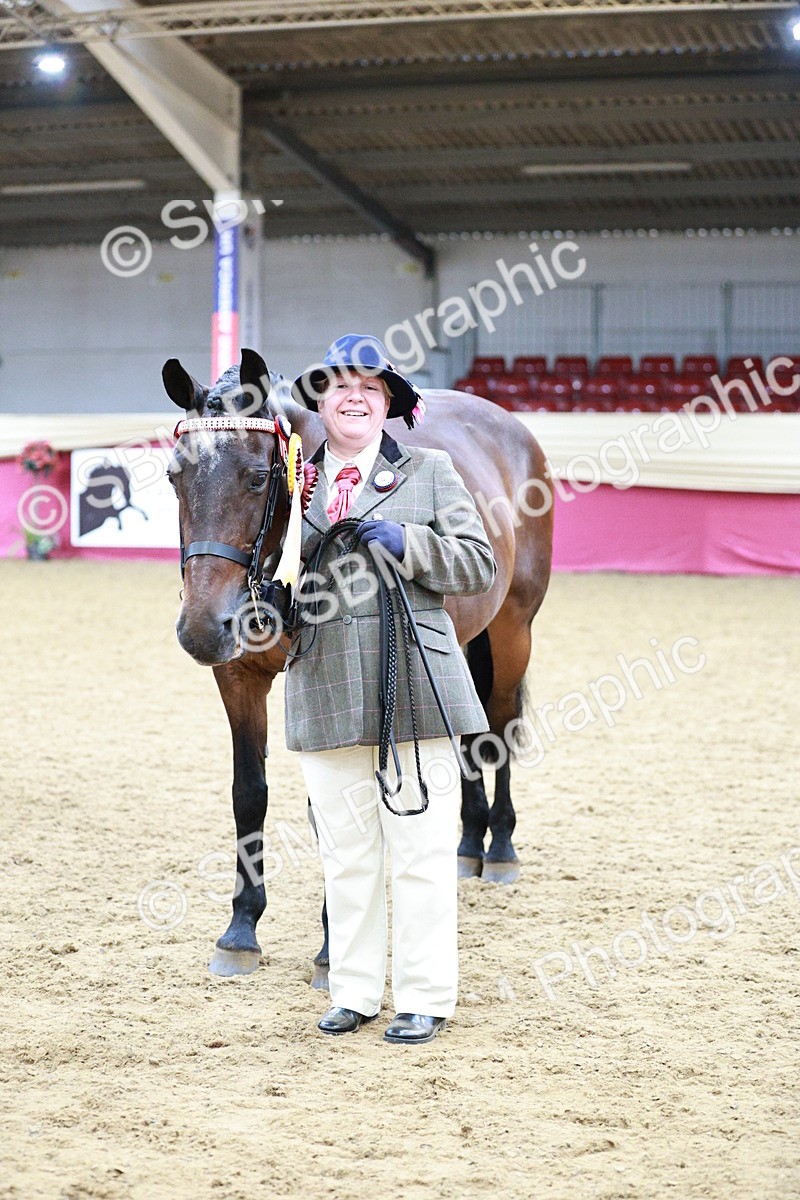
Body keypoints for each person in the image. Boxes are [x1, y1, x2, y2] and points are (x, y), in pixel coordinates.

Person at [287, 334, 496, 1045]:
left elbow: (477, 563)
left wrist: (408, 543)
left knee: (421, 852)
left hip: (415, 679)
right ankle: (352, 991)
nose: (354, 396)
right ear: (322, 399)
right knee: (346, 857)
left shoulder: (430, 470)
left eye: (370, 388)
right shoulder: (291, 483)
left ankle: (425, 997)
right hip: (322, 680)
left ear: (388, 404)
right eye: (341, 384)